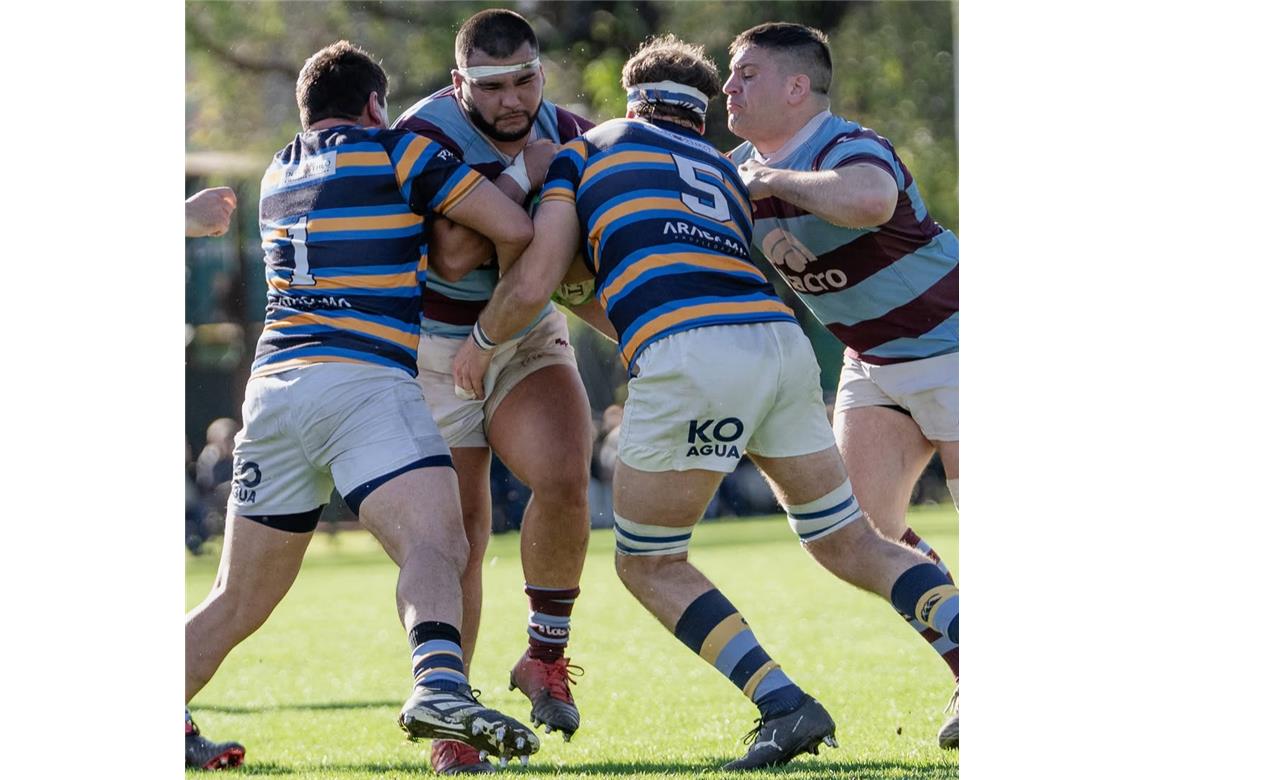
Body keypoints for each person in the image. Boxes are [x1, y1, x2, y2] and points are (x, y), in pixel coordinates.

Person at [451, 34, 962, 771]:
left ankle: (783, 704)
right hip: (782, 346)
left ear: (632, 100)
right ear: (700, 113)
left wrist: (481, 339)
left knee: (647, 562)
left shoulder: (586, 151)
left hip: (719, 351)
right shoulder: (723, 174)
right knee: (851, 536)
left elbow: (536, 279)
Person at [183, 39, 542, 771]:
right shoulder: (400, 150)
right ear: (375, 103)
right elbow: (509, 227)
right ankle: (441, 683)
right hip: (363, 382)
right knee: (437, 543)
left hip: (275, 392)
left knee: (236, 599)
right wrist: (527, 173)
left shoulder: (280, 169)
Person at [723, 22, 961, 749]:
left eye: (746, 75)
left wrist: (774, 180)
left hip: (960, 346)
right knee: (853, 533)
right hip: (874, 364)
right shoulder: (736, 170)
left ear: (798, 88)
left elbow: (869, 202)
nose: (729, 87)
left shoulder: (846, 145)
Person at [392, 9, 596, 774]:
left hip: (524, 330)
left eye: (525, 81)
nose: (514, 101)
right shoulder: (423, 130)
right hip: (436, 344)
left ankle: (544, 656)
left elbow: (576, 260)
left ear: (542, 72)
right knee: (464, 531)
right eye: (493, 86)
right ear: (459, 83)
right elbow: (453, 254)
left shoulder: (568, 128)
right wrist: (528, 175)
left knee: (565, 477)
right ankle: (457, 716)